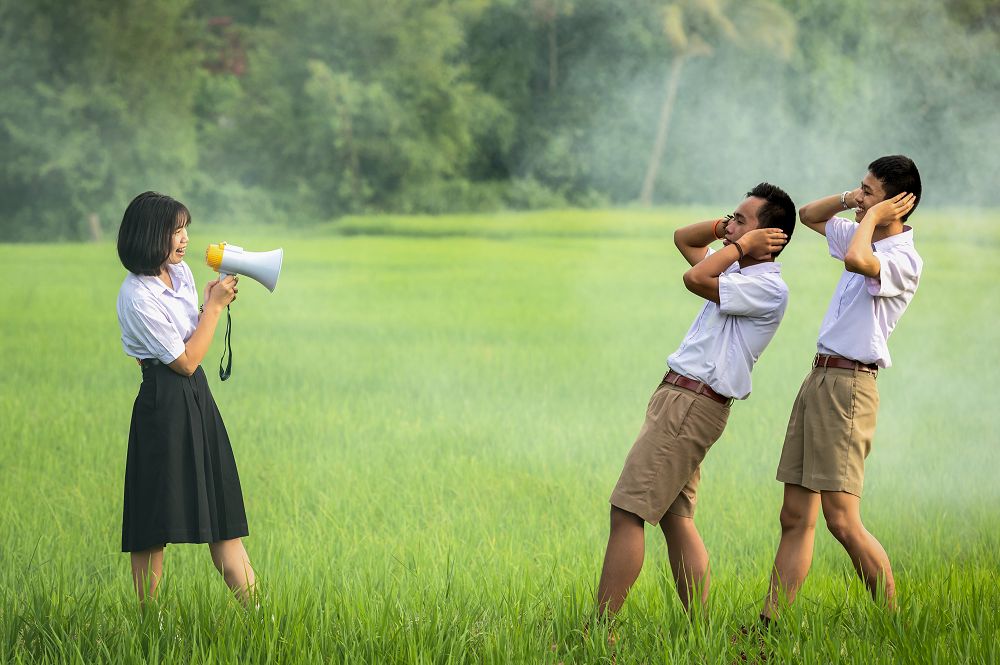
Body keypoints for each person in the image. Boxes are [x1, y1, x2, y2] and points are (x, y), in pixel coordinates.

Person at [596, 183, 795, 618]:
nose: (730, 226)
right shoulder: (737, 272)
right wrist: (729, 229)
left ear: (770, 237)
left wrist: (740, 245)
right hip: (682, 399)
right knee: (674, 517)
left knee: (627, 511)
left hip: (691, 403)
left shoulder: (766, 287)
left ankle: (599, 630)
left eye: (742, 219)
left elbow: (694, 278)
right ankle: (700, 629)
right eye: (731, 217)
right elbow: (683, 239)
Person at [760, 155, 922, 625]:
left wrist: (872, 216)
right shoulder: (861, 231)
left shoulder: (903, 258)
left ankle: (893, 625)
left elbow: (857, 259)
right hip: (820, 378)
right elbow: (809, 216)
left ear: (895, 204)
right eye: (861, 188)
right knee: (794, 516)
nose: (859, 197)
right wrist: (856, 201)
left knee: (842, 520)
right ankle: (770, 626)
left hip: (851, 386)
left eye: (869, 190)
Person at [116, 191, 256, 605]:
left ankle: (263, 619)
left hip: (197, 400)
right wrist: (212, 310)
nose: (184, 239)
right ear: (148, 236)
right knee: (152, 522)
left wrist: (210, 304)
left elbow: (193, 337)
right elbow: (187, 360)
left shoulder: (180, 275)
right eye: (175, 231)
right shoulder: (137, 297)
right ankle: (150, 624)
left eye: (185, 230)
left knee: (223, 516)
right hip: (163, 403)